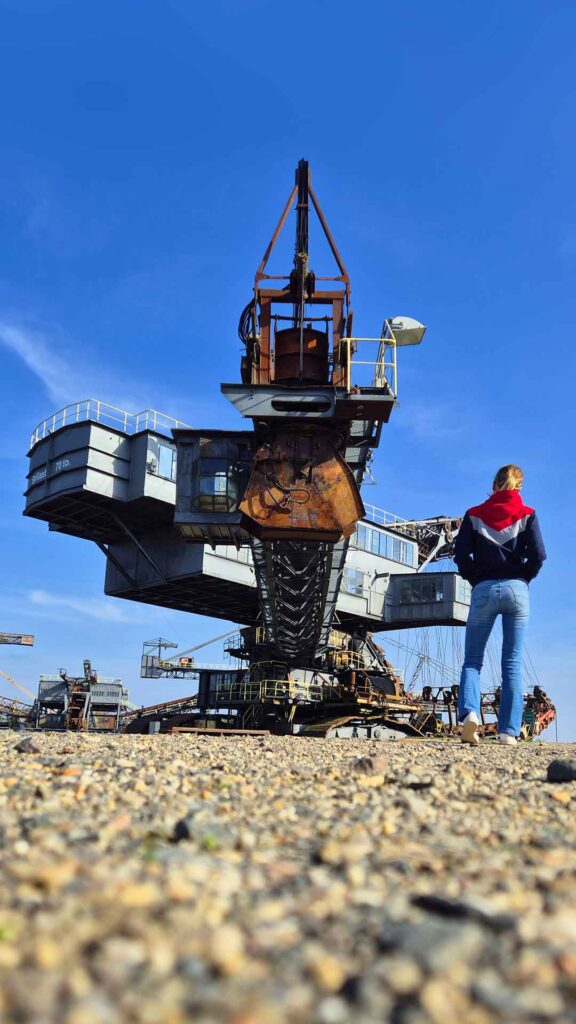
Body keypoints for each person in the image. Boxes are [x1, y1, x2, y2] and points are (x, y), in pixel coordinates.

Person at [454, 464, 546, 746]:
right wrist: (523, 576)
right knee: (512, 664)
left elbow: (460, 555)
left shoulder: (473, 515)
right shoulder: (528, 514)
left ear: (494, 486)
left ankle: (470, 715)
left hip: (484, 589)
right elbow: (539, 555)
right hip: (517, 590)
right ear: (519, 487)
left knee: (472, 661)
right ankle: (508, 732)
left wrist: (475, 577)